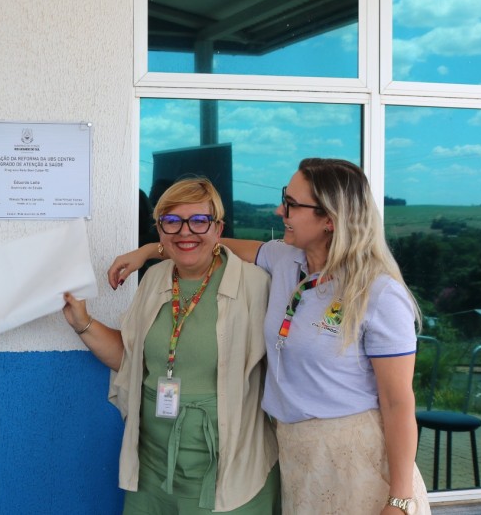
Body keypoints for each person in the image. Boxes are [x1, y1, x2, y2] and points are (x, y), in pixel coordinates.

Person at [108, 159, 430, 515]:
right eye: (284, 199)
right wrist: (150, 250)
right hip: (293, 454)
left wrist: (400, 500)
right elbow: (207, 240)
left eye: (291, 204)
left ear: (329, 219)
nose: (280, 211)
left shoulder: (379, 294)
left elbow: (399, 403)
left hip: (356, 459)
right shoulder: (286, 260)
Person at [63, 178, 280, 514]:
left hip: (227, 470)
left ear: (218, 227)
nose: (185, 232)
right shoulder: (155, 279)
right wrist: (83, 324)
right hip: (153, 467)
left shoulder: (255, 285)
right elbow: (130, 359)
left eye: (199, 221)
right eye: (171, 222)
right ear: (160, 229)